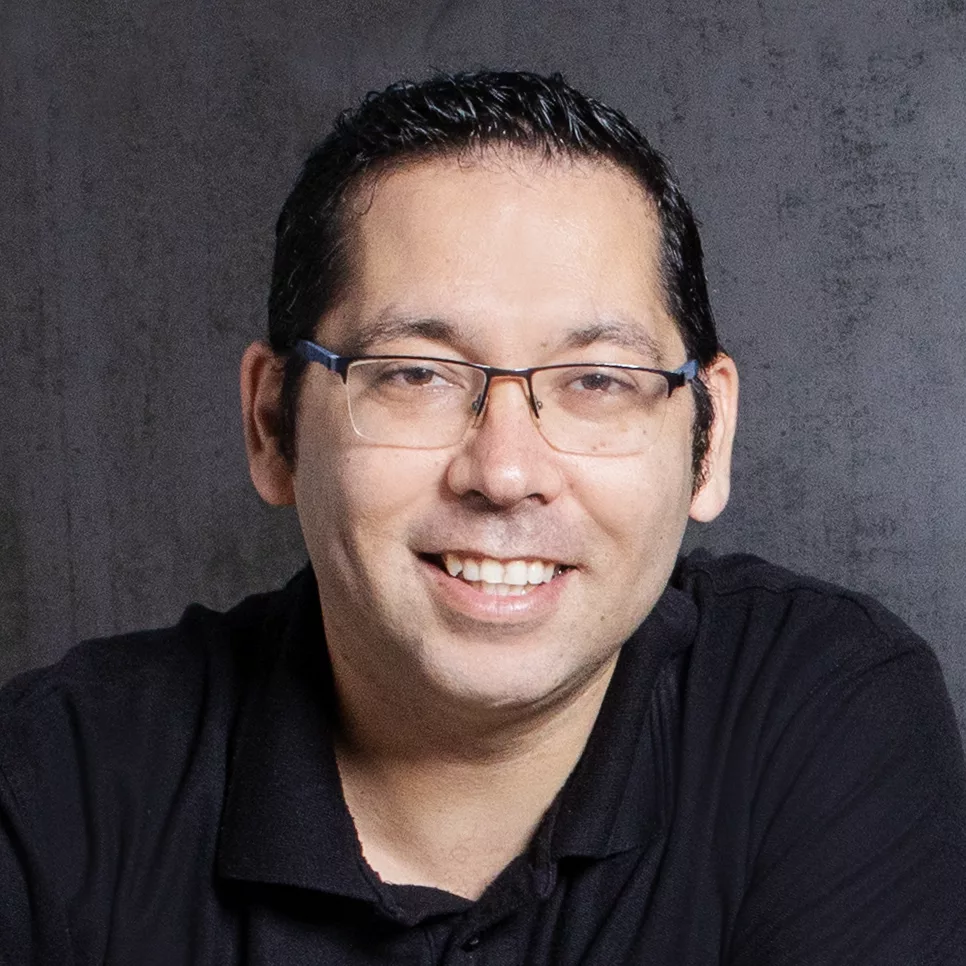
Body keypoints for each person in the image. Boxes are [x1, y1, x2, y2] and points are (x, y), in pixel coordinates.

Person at [2, 70, 965, 965]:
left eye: (598, 380)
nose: (504, 473)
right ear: (272, 425)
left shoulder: (819, 712)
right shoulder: (58, 785)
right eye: (415, 375)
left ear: (708, 443)